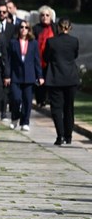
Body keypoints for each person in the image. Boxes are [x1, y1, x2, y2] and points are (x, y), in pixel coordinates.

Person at [43, 18, 79, 146]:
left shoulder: (51, 42)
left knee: (57, 108)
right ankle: (68, 136)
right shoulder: (74, 41)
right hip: (70, 78)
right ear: (69, 28)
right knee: (69, 108)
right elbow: (75, 55)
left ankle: (60, 135)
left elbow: (46, 57)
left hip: (55, 78)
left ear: (58, 27)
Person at [6, 20, 43, 131]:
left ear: (29, 29)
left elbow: (37, 60)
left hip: (29, 76)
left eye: (26, 27)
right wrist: (7, 75)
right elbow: (8, 60)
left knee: (27, 100)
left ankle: (25, 122)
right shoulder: (13, 42)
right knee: (16, 99)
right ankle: (15, 117)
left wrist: (40, 76)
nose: (24, 29)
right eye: (22, 27)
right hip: (15, 76)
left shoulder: (33, 43)